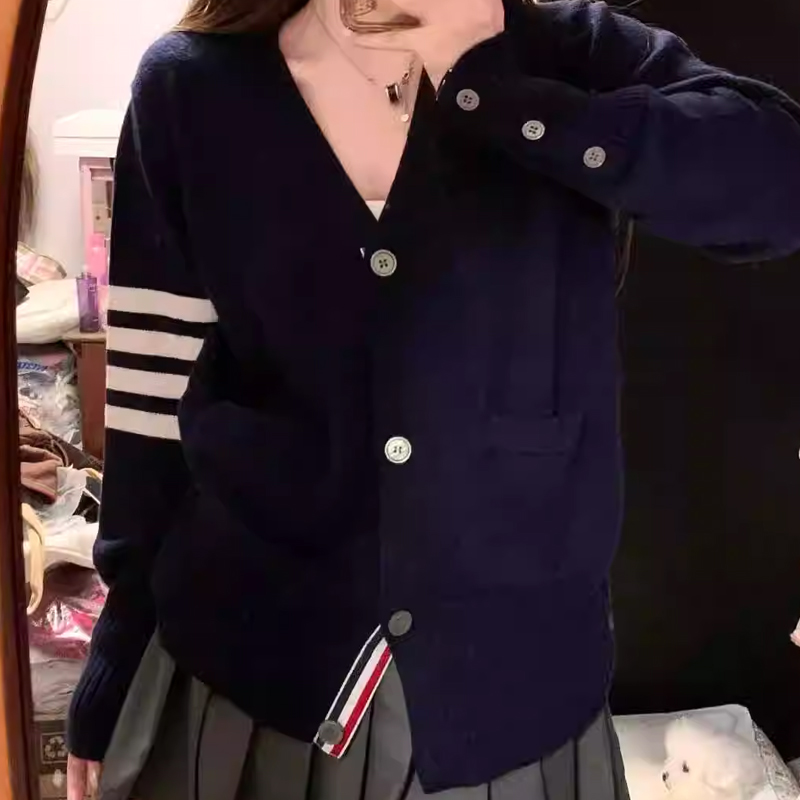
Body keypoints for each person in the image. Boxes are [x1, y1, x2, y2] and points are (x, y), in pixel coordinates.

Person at [66, 0, 800, 797]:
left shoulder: (569, 54)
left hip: (516, 699)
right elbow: (150, 403)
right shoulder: (190, 86)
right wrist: (113, 665)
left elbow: (777, 183)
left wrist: (494, 87)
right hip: (255, 675)